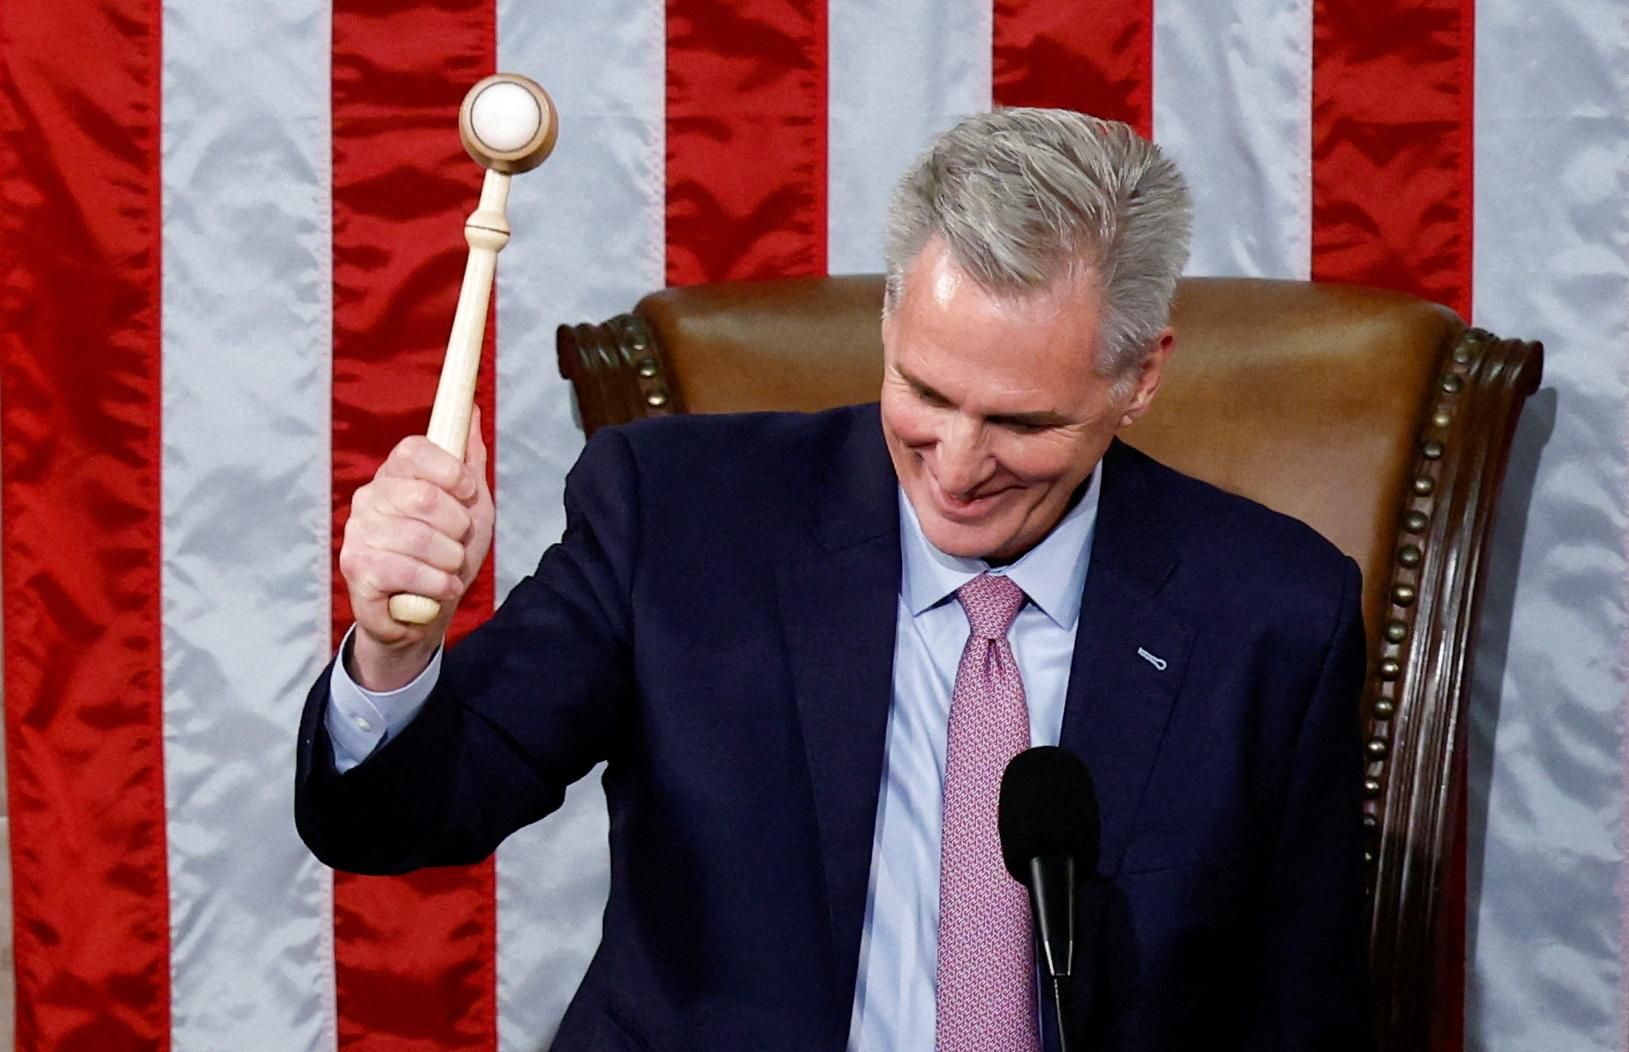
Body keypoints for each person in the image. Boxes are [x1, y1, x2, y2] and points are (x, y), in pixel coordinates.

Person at [296, 109, 1371, 1050]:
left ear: (1141, 376)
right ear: (891, 321)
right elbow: (400, 816)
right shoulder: (680, 516)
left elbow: (1300, 1014)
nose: (956, 465)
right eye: (928, 392)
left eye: (1022, 421)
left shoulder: (1273, 614)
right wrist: (393, 648)